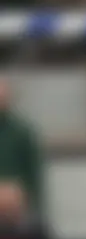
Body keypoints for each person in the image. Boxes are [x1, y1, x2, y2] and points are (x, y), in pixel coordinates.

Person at [0, 79, 44, 220]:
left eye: (2, 96)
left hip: (13, 206)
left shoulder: (22, 133)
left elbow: (34, 173)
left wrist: (34, 205)